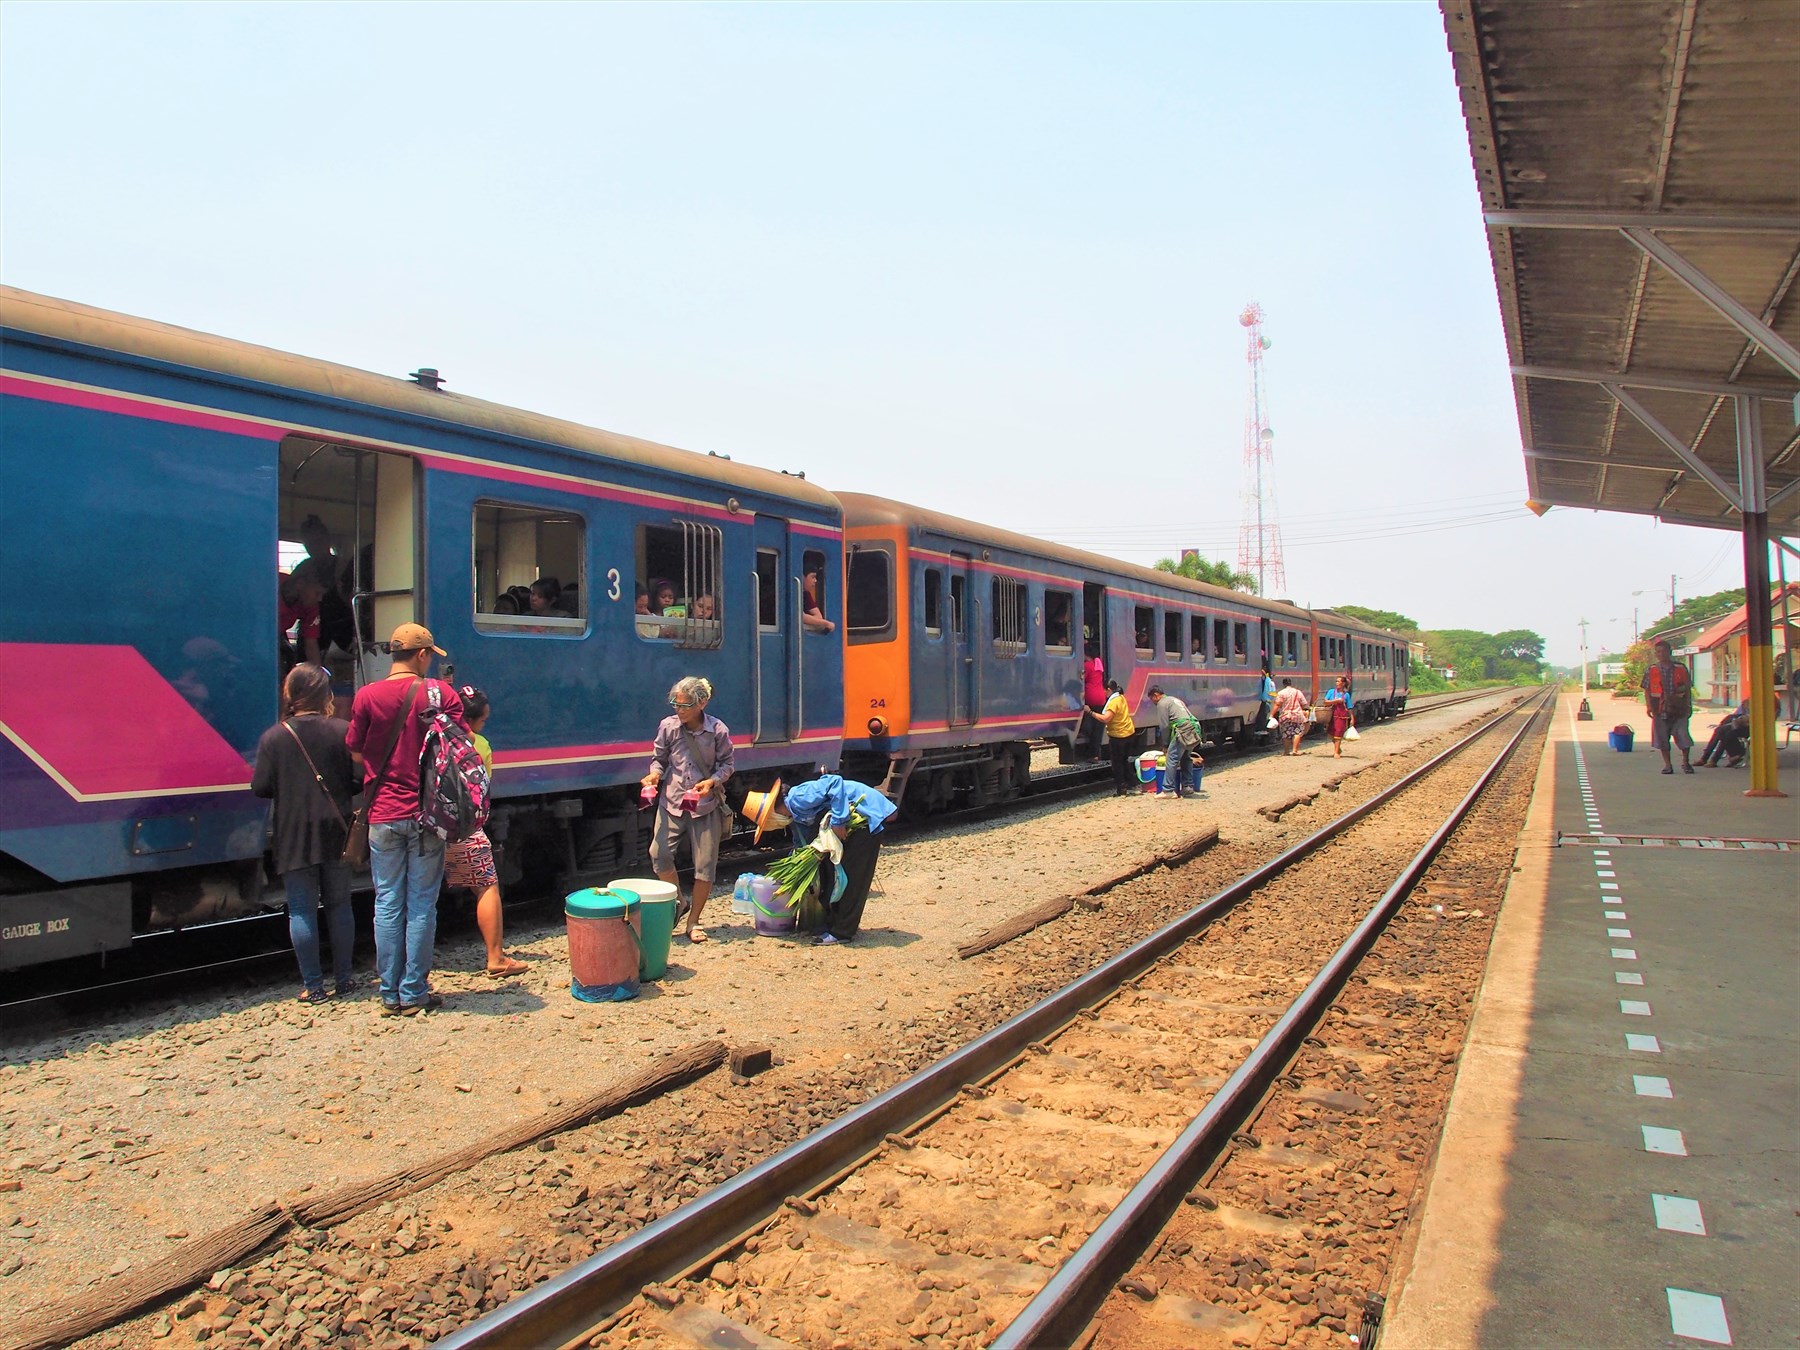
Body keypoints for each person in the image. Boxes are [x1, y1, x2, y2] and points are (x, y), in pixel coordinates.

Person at [346, 623, 466, 1015]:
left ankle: (387, 993)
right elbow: (460, 747)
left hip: (382, 813)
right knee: (421, 905)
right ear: (421, 655)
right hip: (428, 813)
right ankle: (413, 991)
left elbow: (356, 752)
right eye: (430, 655)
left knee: (387, 903)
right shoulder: (440, 693)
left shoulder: (366, 696)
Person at [251, 664, 360, 1003]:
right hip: (337, 828)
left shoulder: (274, 737)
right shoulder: (342, 731)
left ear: (290, 695)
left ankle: (314, 987)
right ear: (324, 694)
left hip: (293, 832)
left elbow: (261, 787)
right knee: (340, 904)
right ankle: (344, 980)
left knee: (301, 909)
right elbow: (358, 779)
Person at [640, 676, 734, 943]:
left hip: (705, 805)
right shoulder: (668, 727)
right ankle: (679, 901)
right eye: (675, 704)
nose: (679, 710)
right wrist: (653, 776)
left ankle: (694, 922)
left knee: (704, 866)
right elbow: (658, 760)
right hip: (672, 800)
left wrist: (712, 781)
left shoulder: (717, 730)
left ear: (702, 703)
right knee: (659, 855)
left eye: (685, 705)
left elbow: (728, 765)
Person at [442, 687, 528, 977]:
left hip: (426, 825)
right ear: (474, 720)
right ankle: (495, 957)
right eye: (483, 720)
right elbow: (483, 788)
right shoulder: (480, 744)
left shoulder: (430, 738)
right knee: (486, 885)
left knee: (415, 894)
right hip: (464, 829)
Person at [759, 774, 897, 945]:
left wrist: (839, 821)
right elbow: (801, 845)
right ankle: (830, 924)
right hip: (849, 827)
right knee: (829, 874)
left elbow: (834, 781)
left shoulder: (798, 798)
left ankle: (843, 932)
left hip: (865, 814)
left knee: (852, 876)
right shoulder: (795, 819)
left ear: (774, 810)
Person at [1644, 639, 1694, 775]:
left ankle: (1686, 762)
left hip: (1680, 709)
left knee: (1683, 735)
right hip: (1659, 709)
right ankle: (1668, 765)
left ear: (1669, 652)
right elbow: (1647, 689)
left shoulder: (1681, 668)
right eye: (1658, 652)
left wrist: (1689, 705)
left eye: (1663, 651)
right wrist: (1649, 706)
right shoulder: (1652, 670)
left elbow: (1688, 689)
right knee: (1662, 738)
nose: (1660, 654)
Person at [1080, 680, 1138, 796]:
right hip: (1128, 732)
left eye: (1104, 691)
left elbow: (1106, 718)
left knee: (1117, 764)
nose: (1103, 693)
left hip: (1119, 736)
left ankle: (1121, 789)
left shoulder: (1113, 702)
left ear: (1109, 690)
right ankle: (1133, 784)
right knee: (1124, 761)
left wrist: (1090, 712)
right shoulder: (1121, 697)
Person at [1146, 686, 1204, 798]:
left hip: (1184, 730)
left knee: (1171, 759)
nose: (1153, 702)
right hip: (1194, 727)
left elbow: (1164, 726)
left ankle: (1168, 790)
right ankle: (1188, 787)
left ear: (1156, 695)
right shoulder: (1174, 699)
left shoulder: (1162, 704)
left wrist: (1165, 745)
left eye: (1152, 699)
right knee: (1185, 757)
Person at [278, 569, 326, 675]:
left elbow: (311, 644)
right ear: (300, 584)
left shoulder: (311, 606)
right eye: (317, 593)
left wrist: (318, 677)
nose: (320, 599)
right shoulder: (270, 583)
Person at [1079, 641, 1108, 760]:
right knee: (1098, 728)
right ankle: (1095, 754)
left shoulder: (1087, 665)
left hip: (1090, 696)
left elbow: (1081, 679)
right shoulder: (1098, 663)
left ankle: (1090, 751)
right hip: (1101, 696)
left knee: (1088, 724)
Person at [1272, 678, 1310, 756]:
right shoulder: (1297, 692)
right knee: (1297, 733)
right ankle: (1295, 751)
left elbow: (1277, 704)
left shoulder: (1281, 693)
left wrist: (1272, 714)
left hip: (1286, 716)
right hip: (1297, 715)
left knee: (1286, 734)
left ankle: (1286, 751)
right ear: (1290, 683)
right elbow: (1304, 703)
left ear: (1284, 684)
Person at [1324, 675, 1355, 758]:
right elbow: (1325, 702)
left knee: (1338, 734)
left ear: (1343, 683)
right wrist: (1336, 701)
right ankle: (1338, 749)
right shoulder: (1331, 692)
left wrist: (1352, 718)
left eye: (1338, 681)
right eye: (1336, 681)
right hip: (1331, 716)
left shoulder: (1346, 695)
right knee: (1331, 734)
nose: (1336, 683)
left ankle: (1336, 752)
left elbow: (1349, 707)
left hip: (1341, 717)